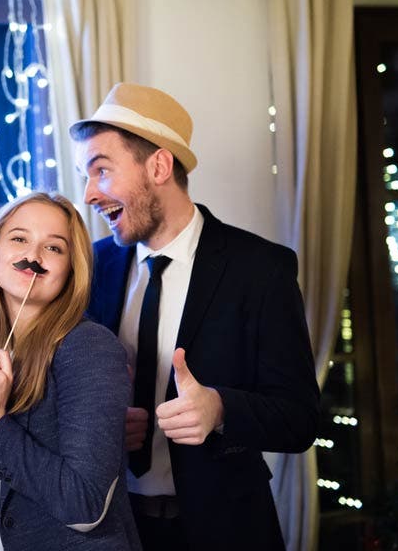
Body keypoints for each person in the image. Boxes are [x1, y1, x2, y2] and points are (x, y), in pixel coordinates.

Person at [71, 83, 320, 551]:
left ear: (159, 166)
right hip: (116, 531)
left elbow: (300, 418)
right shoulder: (91, 266)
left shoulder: (261, 269)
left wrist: (221, 408)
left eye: (101, 171)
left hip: (225, 529)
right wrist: (104, 421)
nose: (88, 194)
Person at [0, 192, 141, 550]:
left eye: (54, 248)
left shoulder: (90, 347)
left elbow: (86, 505)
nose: (32, 256)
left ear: (71, 268)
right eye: (19, 239)